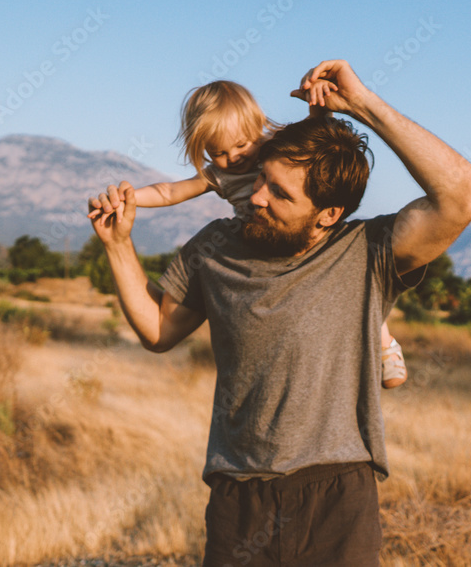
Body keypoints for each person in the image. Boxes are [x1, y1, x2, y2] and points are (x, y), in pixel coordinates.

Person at [89, 59, 471, 565]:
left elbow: (463, 194)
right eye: (261, 180)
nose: (255, 195)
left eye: (278, 192)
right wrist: (119, 246)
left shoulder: (366, 251)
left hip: (338, 497)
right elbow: (157, 331)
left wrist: (361, 105)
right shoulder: (212, 249)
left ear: (328, 214)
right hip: (239, 498)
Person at [88, 78, 408, 388]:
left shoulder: (277, 147)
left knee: (355, 287)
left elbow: (319, 138)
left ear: (258, 126)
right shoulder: (218, 176)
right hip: (262, 242)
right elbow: (170, 191)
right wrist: (130, 198)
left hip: (311, 236)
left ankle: (383, 342)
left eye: (242, 144)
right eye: (220, 153)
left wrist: (319, 105)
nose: (235, 158)